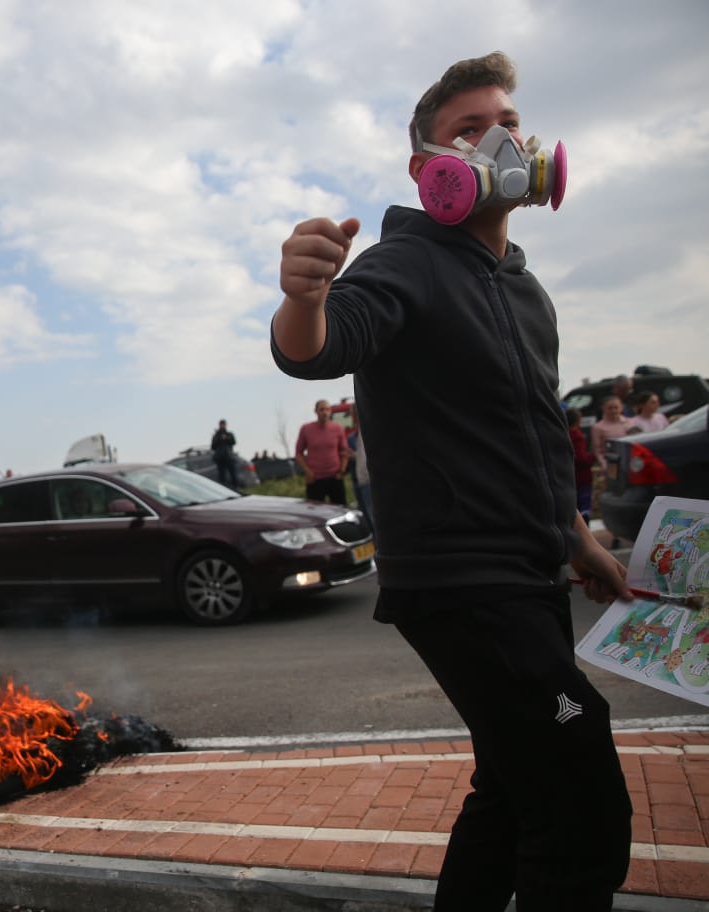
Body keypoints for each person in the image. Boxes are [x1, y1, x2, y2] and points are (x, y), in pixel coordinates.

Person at [270, 52, 632, 910]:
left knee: (508, 795)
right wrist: (303, 293)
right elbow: (318, 345)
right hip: (464, 582)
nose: (497, 140)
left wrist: (578, 542)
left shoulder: (526, 288)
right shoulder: (406, 261)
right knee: (580, 809)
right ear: (430, 167)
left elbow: (536, 436)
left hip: (527, 573)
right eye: (469, 130)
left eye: (506, 123)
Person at [294, 400, 349, 504]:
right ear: (316, 411)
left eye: (327, 409)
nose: (324, 412)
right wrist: (308, 472)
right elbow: (298, 453)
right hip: (315, 479)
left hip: (335, 477)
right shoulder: (306, 429)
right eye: (321, 409)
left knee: (340, 510)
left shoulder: (338, 428)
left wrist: (342, 470)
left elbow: (344, 451)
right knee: (315, 513)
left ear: (331, 411)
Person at [591, 396, 632, 478]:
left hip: (630, 461)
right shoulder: (598, 427)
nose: (613, 410)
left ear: (621, 408)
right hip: (611, 464)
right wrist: (604, 464)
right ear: (603, 409)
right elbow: (597, 450)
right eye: (610, 408)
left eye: (616, 407)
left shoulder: (630, 423)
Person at [568, 408, 595, 524]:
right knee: (584, 506)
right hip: (582, 477)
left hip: (569, 476)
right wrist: (593, 457)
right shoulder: (577, 436)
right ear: (578, 421)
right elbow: (582, 459)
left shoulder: (563, 433)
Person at [210, 419, 239, 489]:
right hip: (220, 458)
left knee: (233, 474)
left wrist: (226, 438)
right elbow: (213, 446)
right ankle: (224, 489)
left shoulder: (229, 434)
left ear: (225, 425)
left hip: (229, 457)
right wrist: (219, 438)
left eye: (223, 424)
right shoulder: (216, 435)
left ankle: (235, 488)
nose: (222, 426)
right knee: (222, 476)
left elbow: (234, 442)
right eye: (221, 424)